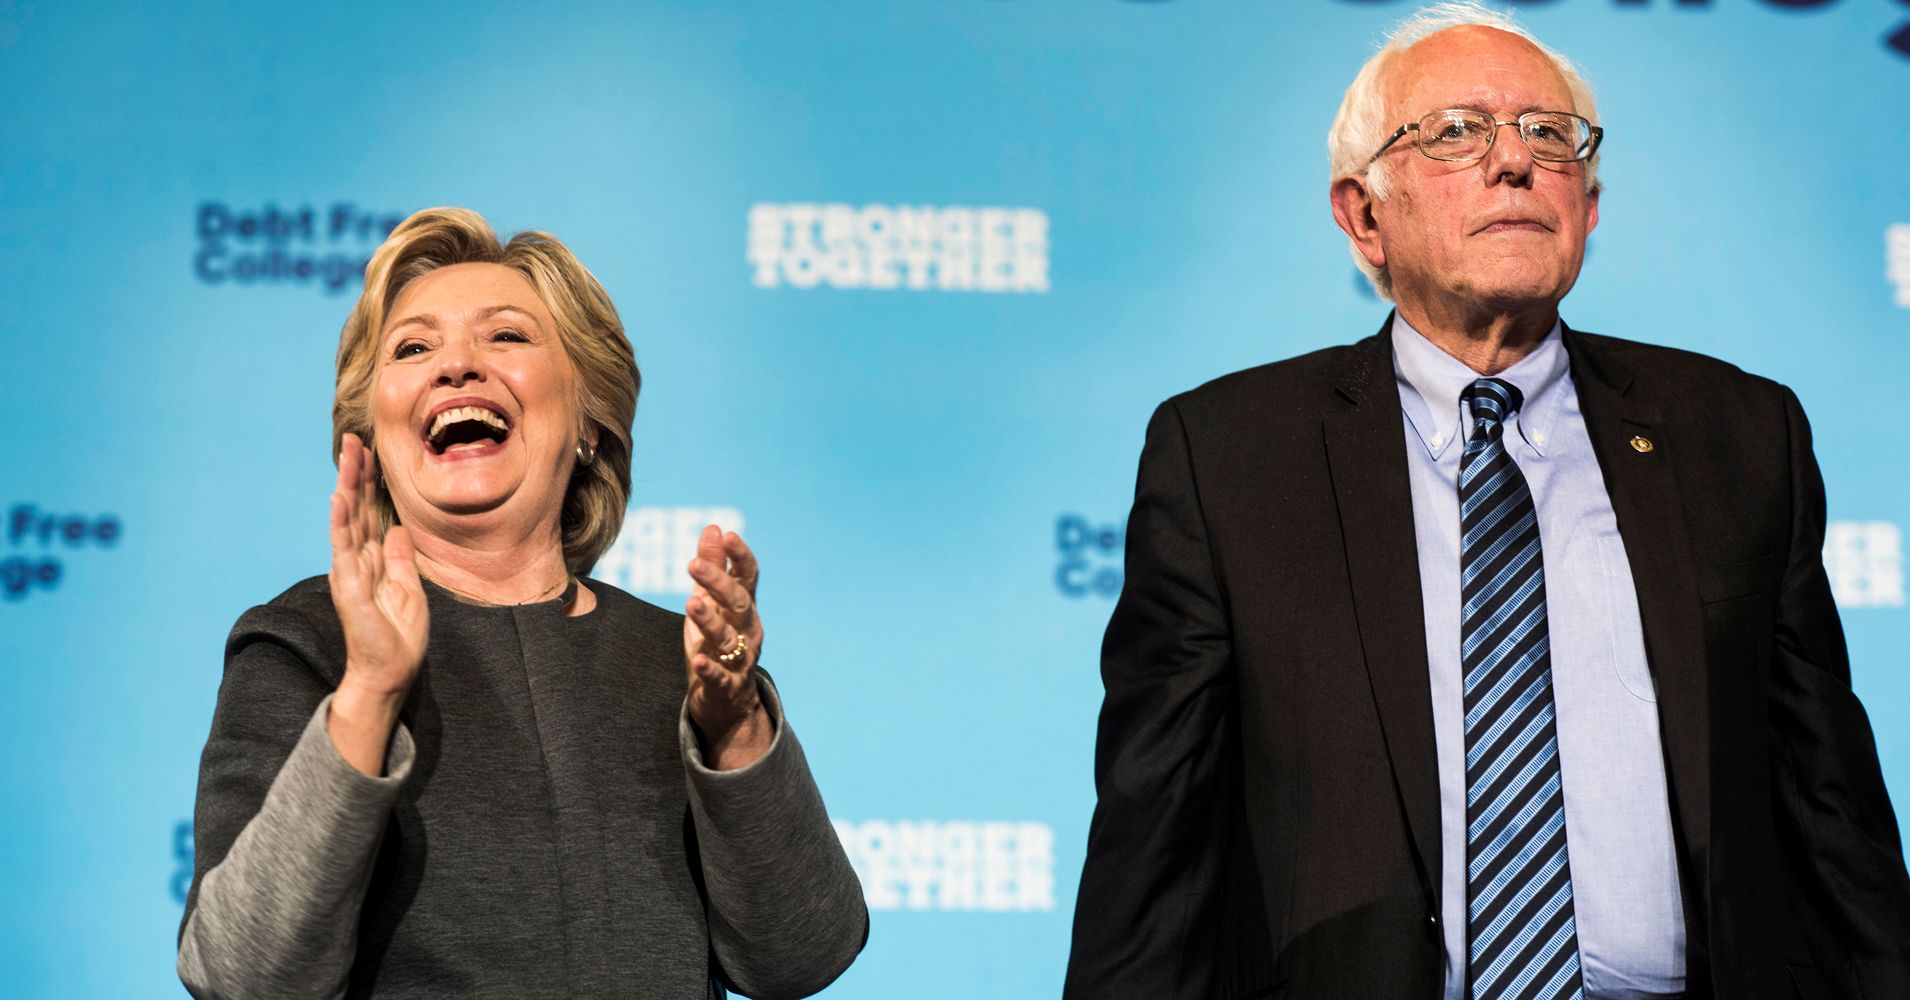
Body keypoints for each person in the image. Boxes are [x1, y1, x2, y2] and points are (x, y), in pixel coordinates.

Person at [1065, 4, 1910, 999]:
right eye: (1453, 133)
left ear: (1587, 204)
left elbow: (1828, 807)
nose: (1512, 162)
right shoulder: (1228, 457)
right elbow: (1154, 846)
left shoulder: (1735, 432)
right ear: (1361, 215)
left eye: (1547, 136)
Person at [177, 207, 867, 999]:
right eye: (413, 347)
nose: (457, 367)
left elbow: (802, 957)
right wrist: (369, 694)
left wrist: (734, 723)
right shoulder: (304, 645)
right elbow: (241, 975)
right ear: (369, 437)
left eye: (506, 337)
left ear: (590, 425)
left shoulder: (679, 661)